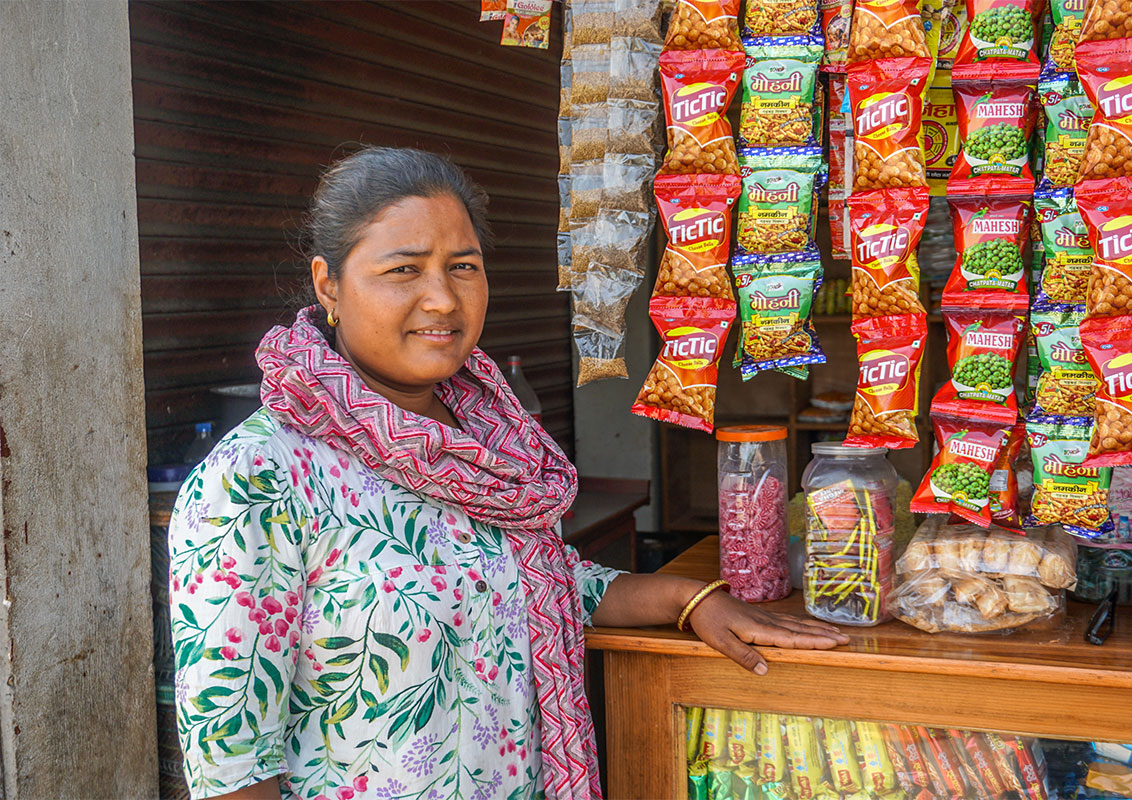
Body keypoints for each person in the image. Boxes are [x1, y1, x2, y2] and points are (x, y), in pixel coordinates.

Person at [169, 147, 849, 800]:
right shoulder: (261, 475)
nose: (441, 298)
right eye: (404, 270)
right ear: (329, 285)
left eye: (462, 267)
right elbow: (230, 757)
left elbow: (530, 587)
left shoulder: (483, 441)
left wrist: (686, 599)